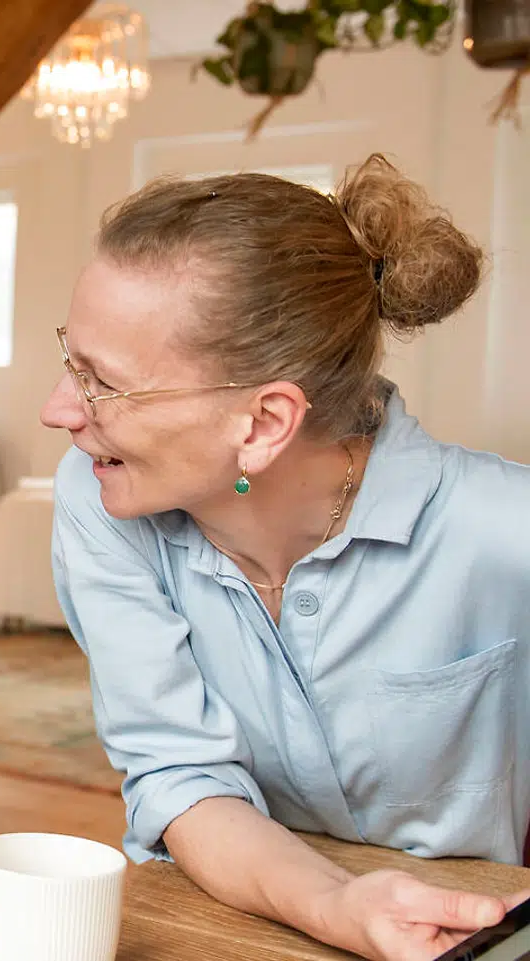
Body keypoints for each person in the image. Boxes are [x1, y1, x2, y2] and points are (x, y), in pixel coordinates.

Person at [42, 153, 530, 961]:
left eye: (102, 384)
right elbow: (178, 773)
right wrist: (337, 905)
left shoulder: (500, 525)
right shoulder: (99, 499)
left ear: (265, 423)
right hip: (232, 926)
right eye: (71, 360)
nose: (59, 410)